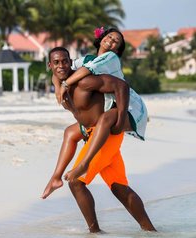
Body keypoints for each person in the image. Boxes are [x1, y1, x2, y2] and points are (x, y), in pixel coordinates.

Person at [42, 47, 155, 233]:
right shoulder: (61, 84)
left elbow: (121, 86)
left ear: (71, 62)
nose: (61, 65)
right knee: (119, 188)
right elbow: (57, 77)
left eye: (64, 61)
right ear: (50, 65)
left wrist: (119, 119)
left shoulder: (84, 82)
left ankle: (94, 234)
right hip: (95, 135)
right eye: (56, 62)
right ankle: (150, 232)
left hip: (105, 135)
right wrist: (57, 84)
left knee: (76, 182)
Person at [42, 27, 148, 198]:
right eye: (110, 36)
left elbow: (87, 72)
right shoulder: (88, 59)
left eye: (116, 41)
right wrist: (56, 85)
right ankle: (55, 177)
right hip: (106, 110)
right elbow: (61, 67)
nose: (111, 41)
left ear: (117, 48)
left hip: (128, 107)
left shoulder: (110, 58)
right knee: (70, 132)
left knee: (78, 182)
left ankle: (85, 164)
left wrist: (65, 85)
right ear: (102, 37)